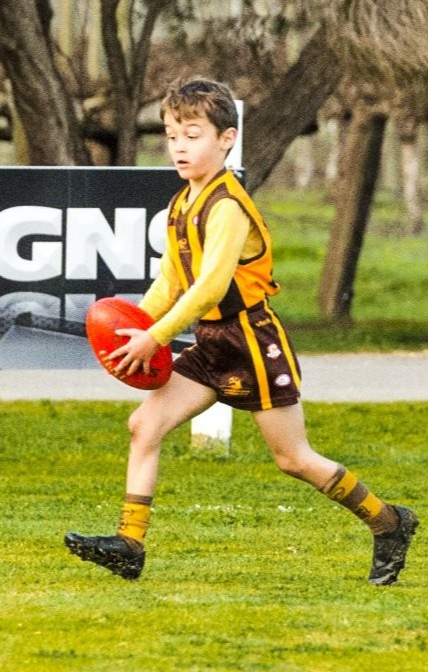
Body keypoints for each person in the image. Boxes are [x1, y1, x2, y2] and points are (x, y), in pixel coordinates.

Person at [65, 78, 418, 585]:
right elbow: (171, 281)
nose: (179, 147)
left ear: (226, 139)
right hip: (211, 342)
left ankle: (389, 523)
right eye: (171, 135)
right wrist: (134, 328)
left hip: (251, 340)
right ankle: (129, 544)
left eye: (193, 135)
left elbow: (210, 286)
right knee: (144, 425)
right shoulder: (181, 203)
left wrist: (156, 337)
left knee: (293, 459)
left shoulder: (226, 205)